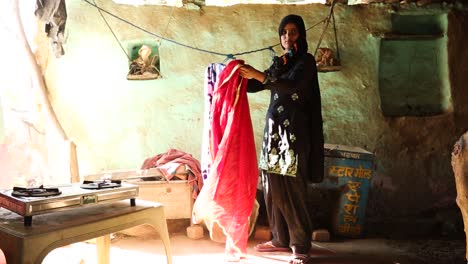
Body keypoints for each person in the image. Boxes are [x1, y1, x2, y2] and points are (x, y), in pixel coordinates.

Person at [239, 14, 324, 264]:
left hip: (294, 135)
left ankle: (300, 244)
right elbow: (258, 85)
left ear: (301, 35)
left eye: (293, 32)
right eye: (284, 32)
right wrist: (236, 77)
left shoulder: (305, 63)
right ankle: (279, 239)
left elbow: (290, 86)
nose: (288, 36)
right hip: (273, 134)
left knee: (291, 189)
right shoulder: (281, 63)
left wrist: (258, 75)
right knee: (271, 188)